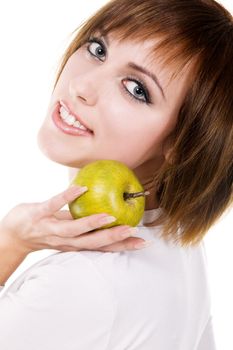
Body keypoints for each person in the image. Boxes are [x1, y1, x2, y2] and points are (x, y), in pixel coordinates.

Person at [0, 0, 232, 348]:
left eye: (137, 89)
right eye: (97, 49)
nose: (82, 86)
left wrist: (9, 241)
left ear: (184, 143)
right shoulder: (177, 245)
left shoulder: (82, 282)